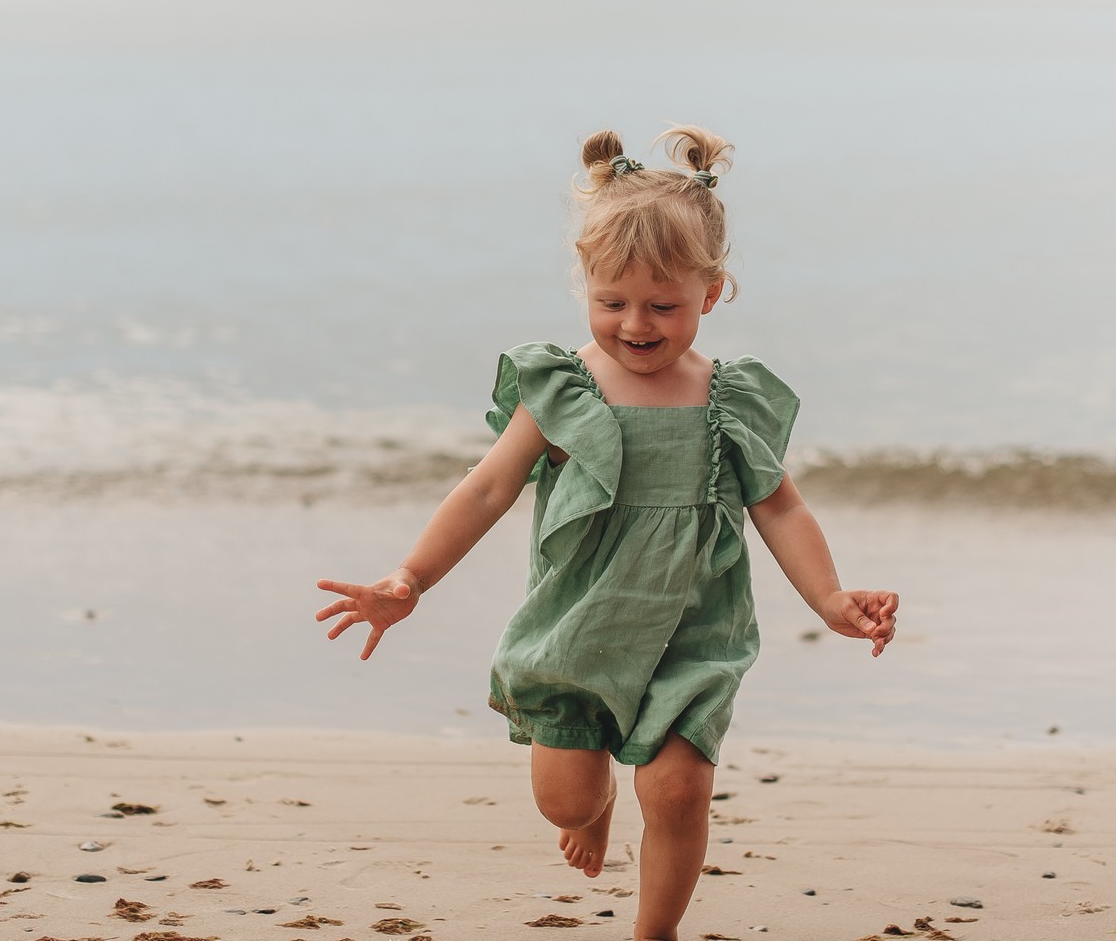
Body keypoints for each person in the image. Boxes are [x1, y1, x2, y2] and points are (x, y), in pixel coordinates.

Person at [314, 125, 899, 941]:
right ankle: (593, 811)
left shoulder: (730, 398)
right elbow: (487, 489)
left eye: (664, 304)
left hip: (693, 629)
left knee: (680, 792)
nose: (636, 323)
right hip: (578, 626)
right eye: (611, 301)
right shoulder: (564, 388)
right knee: (565, 796)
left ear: (713, 291)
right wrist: (408, 578)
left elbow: (781, 506)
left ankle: (650, 933)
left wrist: (831, 598)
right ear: (585, 285)